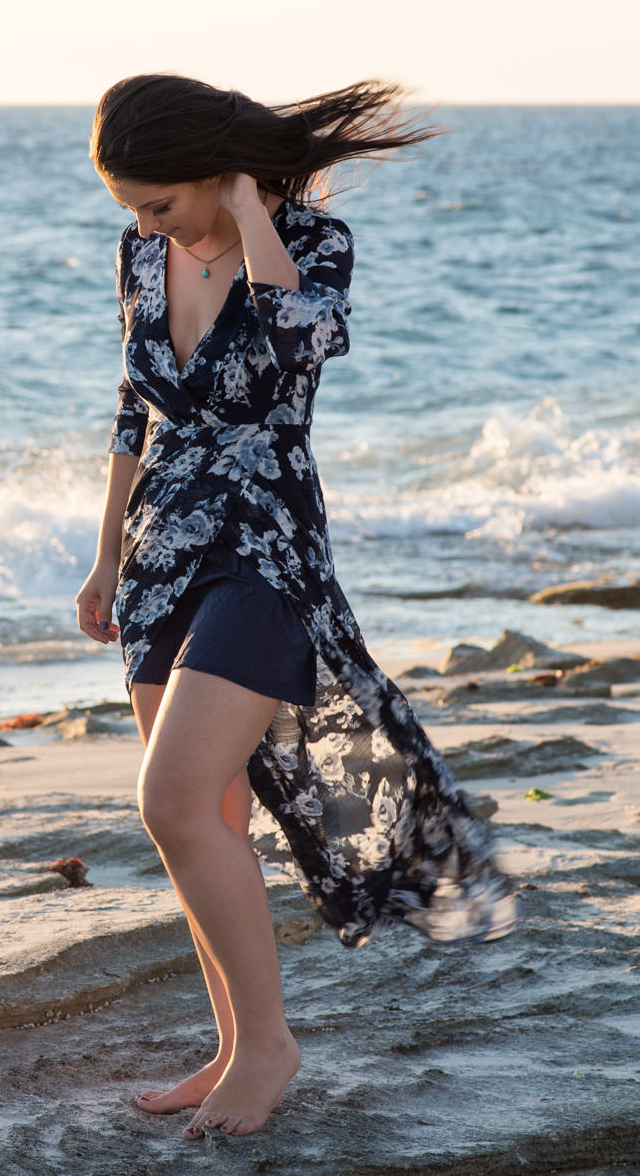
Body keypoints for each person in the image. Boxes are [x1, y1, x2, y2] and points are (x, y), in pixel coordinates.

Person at [74, 74, 519, 1140]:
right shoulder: (141, 255)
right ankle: (231, 1043)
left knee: (170, 797)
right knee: (206, 819)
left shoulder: (314, 244)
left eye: (160, 203)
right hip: (161, 550)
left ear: (214, 173)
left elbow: (288, 347)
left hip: (264, 545)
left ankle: (267, 1044)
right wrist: (102, 559)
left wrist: (250, 210)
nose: (145, 224)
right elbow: (132, 406)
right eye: (130, 208)